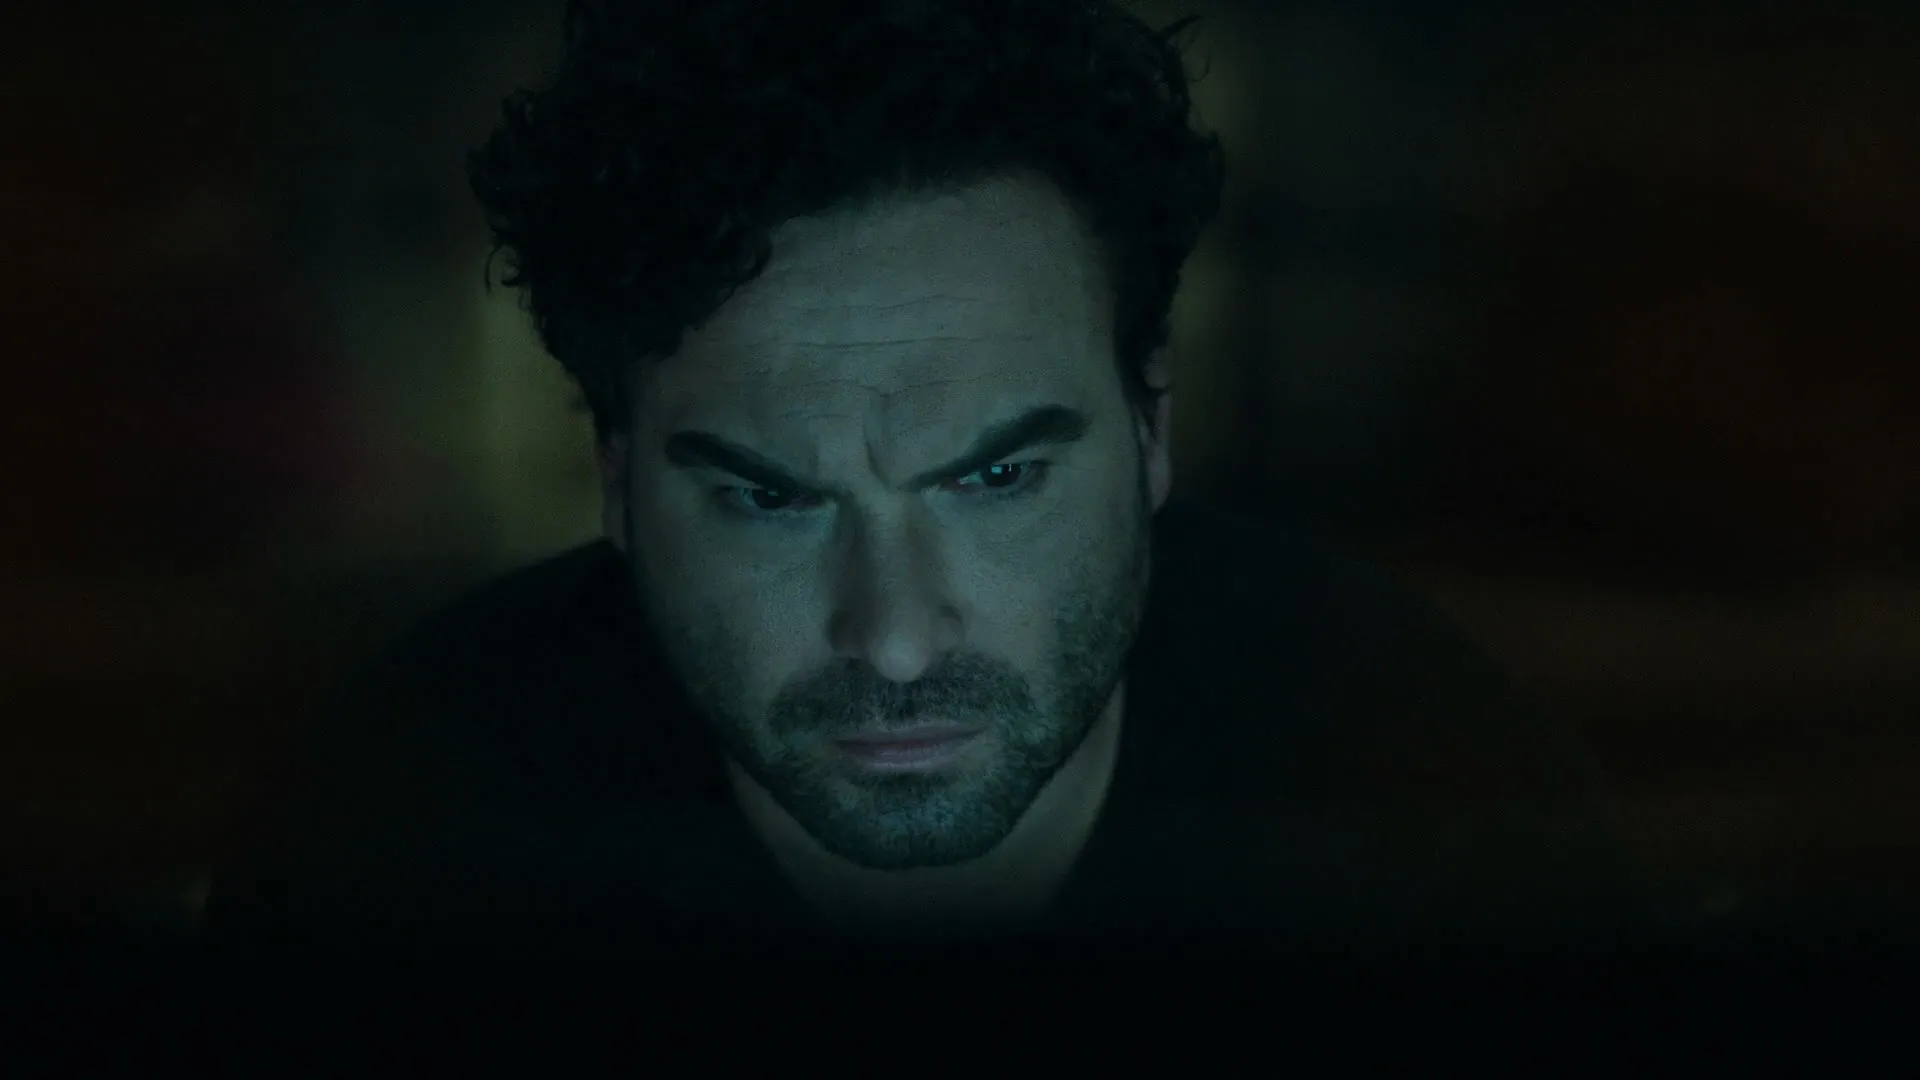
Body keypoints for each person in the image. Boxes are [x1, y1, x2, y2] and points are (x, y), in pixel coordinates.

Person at [205, 0, 1656, 956]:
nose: (894, 638)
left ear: (1150, 431)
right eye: (768, 498)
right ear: (619, 484)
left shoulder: (1430, 809)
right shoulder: (399, 841)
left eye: (999, 475)